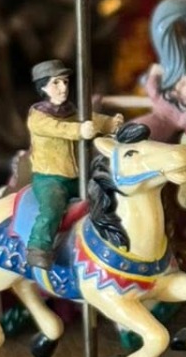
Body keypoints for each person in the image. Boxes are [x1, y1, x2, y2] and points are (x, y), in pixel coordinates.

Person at [24, 60, 122, 270]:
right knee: (52, 207)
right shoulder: (38, 117)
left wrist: (109, 123)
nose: (63, 88)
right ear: (43, 87)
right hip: (50, 178)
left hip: (78, 176)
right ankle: (38, 247)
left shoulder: (69, 111)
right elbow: (58, 128)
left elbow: (89, 118)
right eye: (56, 83)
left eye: (65, 82)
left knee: (105, 194)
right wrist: (80, 131)